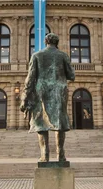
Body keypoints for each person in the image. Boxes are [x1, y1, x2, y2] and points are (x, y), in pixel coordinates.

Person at [20, 33, 75, 162]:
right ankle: (60, 154)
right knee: (59, 122)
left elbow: (30, 78)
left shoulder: (37, 56)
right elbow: (71, 75)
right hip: (59, 90)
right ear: (57, 42)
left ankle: (44, 155)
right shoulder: (63, 56)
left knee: (41, 122)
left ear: (45, 41)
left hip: (42, 90)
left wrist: (25, 96)